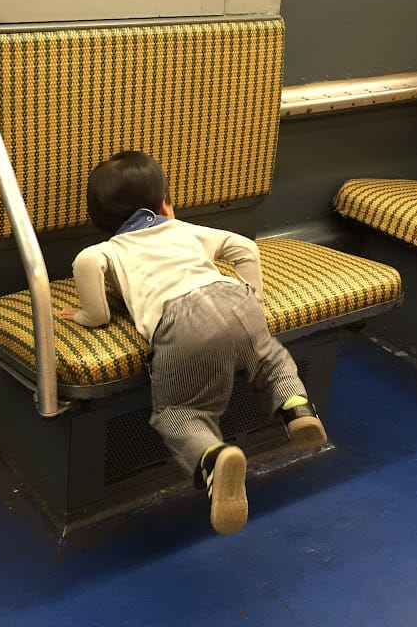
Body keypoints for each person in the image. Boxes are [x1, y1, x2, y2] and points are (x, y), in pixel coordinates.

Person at [59, 151, 327, 534]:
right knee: (271, 360)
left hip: (182, 323)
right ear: (164, 204)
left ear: (100, 221)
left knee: (179, 412)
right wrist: (254, 298)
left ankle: (213, 457)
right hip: (234, 298)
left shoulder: (106, 250)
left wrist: (88, 316)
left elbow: (88, 275)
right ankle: (296, 407)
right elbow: (246, 249)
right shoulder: (183, 229)